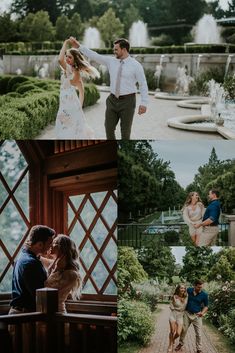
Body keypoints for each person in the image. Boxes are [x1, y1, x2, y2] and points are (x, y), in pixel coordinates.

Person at [69, 36, 149, 140]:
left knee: (125, 132)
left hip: (128, 102)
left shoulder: (136, 65)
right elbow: (95, 56)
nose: (114, 51)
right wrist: (79, 46)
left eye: (116, 49)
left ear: (124, 50)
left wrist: (144, 103)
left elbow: (143, 84)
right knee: (108, 128)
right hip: (112, 100)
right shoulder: (111, 61)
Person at [55, 38, 100, 139]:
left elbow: (81, 90)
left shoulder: (72, 70)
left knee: (67, 129)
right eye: (66, 56)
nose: (67, 59)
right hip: (65, 104)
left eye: (69, 57)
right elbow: (81, 91)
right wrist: (79, 106)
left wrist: (66, 42)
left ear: (75, 59)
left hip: (69, 105)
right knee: (65, 127)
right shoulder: (69, 69)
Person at [9, 225, 56, 314]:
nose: (51, 246)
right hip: (24, 316)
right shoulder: (31, 263)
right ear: (40, 244)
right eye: (49, 243)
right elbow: (39, 295)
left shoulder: (23, 256)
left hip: (20, 312)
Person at [44, 234, 82, 313]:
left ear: (62, 248)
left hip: (57, 313)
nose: (51, 245)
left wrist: (55, 270)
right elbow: (41, 260)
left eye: (54, 243)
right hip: (47, 310)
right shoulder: (55, 264)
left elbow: (48, 288)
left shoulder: (71, 274)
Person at [175, 280, 209, 353]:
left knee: (199, 333)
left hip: (197, 316)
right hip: (187, 314)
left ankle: (199, 349)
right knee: (183, 330)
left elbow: (206, 306)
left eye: (201, 287)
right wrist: (177, 298)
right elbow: (181, 294)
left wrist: (202, 313)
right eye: (198, 287)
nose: (200, 289)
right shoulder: (189, 290)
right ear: (194, 285)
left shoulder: (204, 295)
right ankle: (180, 344)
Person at [168, 284, 188, 352]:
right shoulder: (174, 296)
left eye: (184, 288)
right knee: (172, 331)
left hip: (180, 316)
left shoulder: (186, 297)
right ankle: (170, 345)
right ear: (178, 289)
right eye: (181, 288)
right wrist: (173, 308)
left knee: (178, 333)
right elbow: (171, 304)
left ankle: (172, 339)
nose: (183, 289)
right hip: (173, 314)